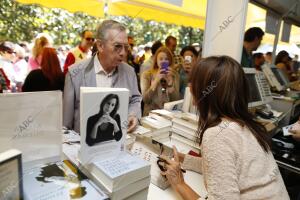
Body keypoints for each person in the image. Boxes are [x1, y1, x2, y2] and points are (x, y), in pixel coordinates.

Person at [160, 56, 289, 200]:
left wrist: (179, 184)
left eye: (194, 83)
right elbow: (228, 168)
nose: (190, 87)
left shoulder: (217, 134)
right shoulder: (245, 124)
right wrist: (185, 160)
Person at [63, 20, 141, 133]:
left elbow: (135, 98)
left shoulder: (129, 72)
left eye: (126, 47)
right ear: (100, 46)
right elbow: (66, 126)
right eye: (117, 46)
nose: (123, 53)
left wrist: (133, 115)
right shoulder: (74, 74)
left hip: (119, 142)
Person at [140, 46, 180, 115]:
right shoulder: (146, 75)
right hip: (150, 116)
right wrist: (156, 81)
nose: (163, 61)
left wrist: (170, 83)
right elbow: (145, 100)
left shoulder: (174, 75)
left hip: (168, 115)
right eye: (161, 59)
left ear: (170, 61)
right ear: (156, 61)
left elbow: (175, 101)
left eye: (166, 59)